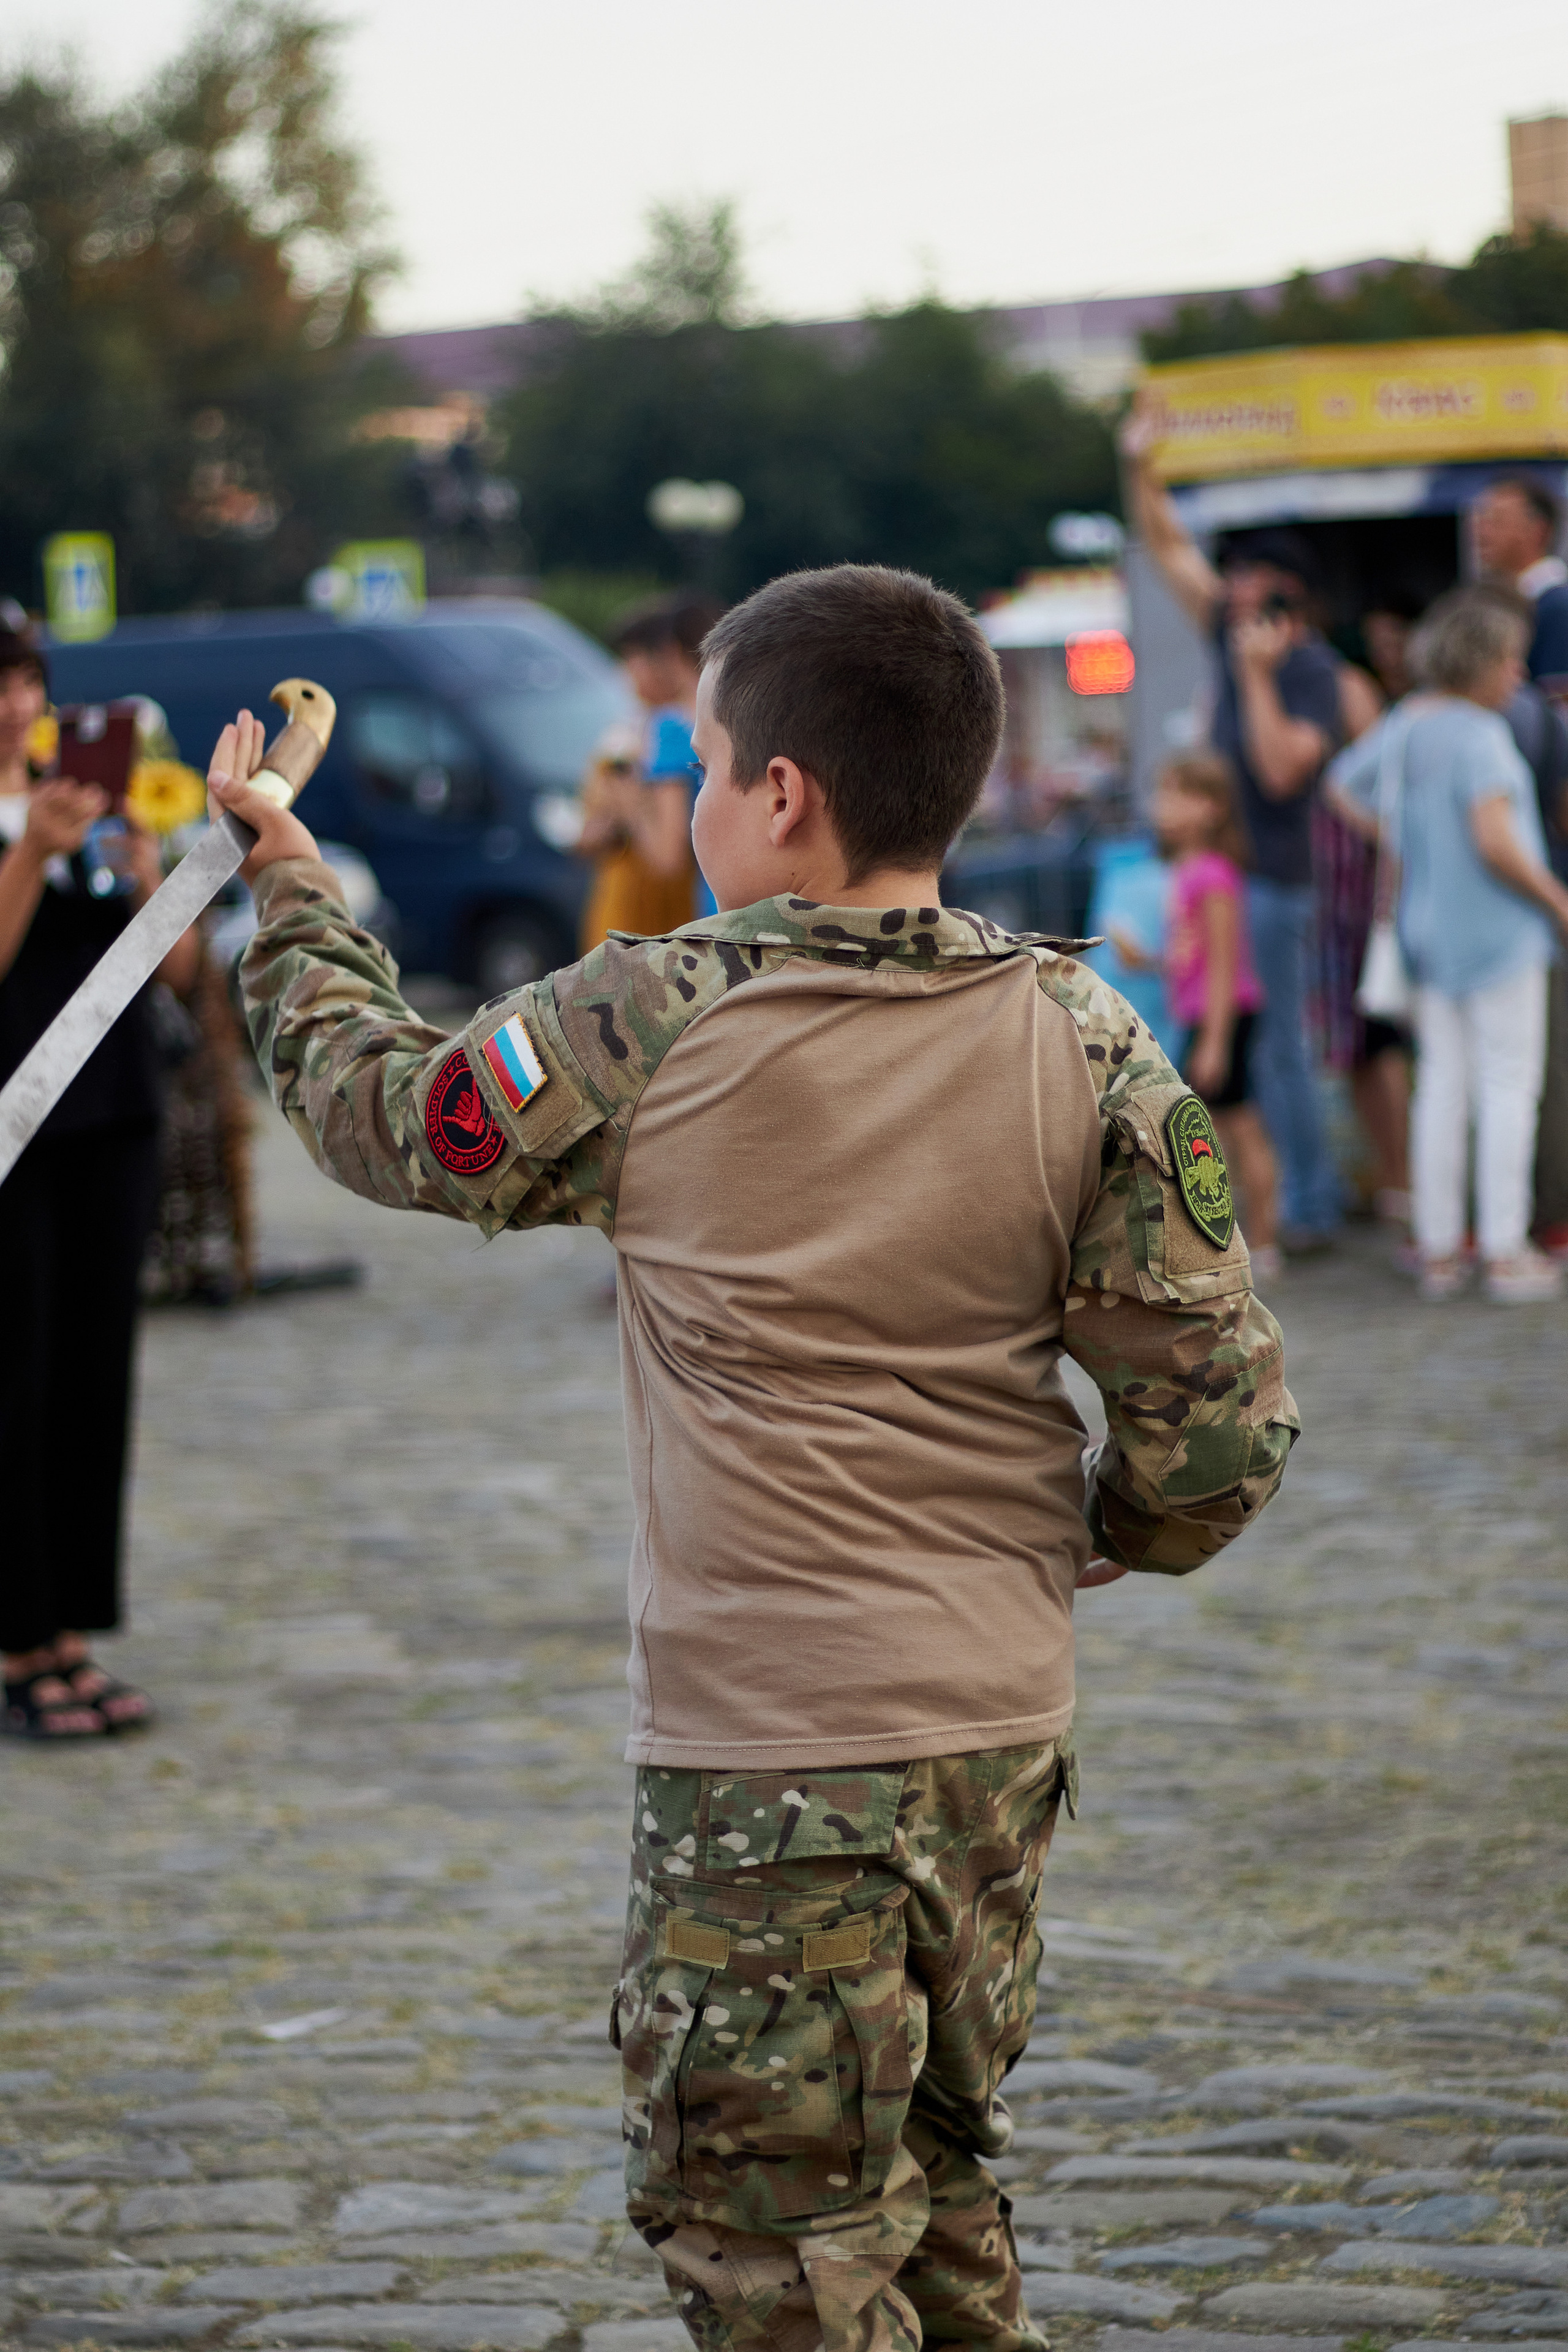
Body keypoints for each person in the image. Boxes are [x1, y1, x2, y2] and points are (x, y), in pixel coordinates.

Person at [214, 562, 1298, 2352]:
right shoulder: (1083, 1032)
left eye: (702, 761)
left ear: (777, 792)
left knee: (779, 2254)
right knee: (943, 2201)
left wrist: (291, 886)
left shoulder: (651, 1015)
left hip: (765, 1760)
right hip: (991, 1737)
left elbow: (380, 1109)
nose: (692, 796)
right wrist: (1115, 1528)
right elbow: (1221, 1415)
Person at [0, 627, 198, 1738]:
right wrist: (28, 851)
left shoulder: (93, 796)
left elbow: (173, 970)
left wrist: (144, 876)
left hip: (112, 1108)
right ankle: (18, 1643)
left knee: (92, 1377)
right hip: (12, 1123)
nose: (15, 703)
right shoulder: (30, 822)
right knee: (15, 1379)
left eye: (27, 682)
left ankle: (71, 1630)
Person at [1121, 407, 1343, 1251]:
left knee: (1279, 1047)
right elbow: (1171, 545)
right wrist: (1141, 466)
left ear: (1291, 600)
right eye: (1238, 577)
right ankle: (1274, 1207)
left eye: (1257, 584)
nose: (1237, 594)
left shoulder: (1312, 669)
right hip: (1227, 875)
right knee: (1244, 1056)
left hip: (1275, 881)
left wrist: (1256, 676)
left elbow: (1284, 768)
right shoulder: (1227, 626)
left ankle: (1308, 1206)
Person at [1326, 586, 1568, 1305]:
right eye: (1509, 660)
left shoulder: (1408, 724)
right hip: (1497, 932)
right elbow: (1496, 840)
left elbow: (1342, 788)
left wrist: (1400, 839)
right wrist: (1557, 900)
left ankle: (1437, 1249)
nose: (1517, 675)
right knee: (1506, 1087)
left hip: (1424, 931)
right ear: (1483, 661)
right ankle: (1503, 1249)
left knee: (1441, 1089)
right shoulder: (1481, 734)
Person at [1122, 753, 1280, 1281]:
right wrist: (1145, 960)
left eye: (1176, 796)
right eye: (1162, 794)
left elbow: (1223, 963)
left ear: (1211, 809)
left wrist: (1214, 1040)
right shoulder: (1186, 872)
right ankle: (1237, 1236)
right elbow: (1191, 956)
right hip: (1203, 1015)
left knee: (1235, 1128)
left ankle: (1264, 1239)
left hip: (1223, 1015)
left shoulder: (1213, 874)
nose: (1161, 807)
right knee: (1214, 1131)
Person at [609, 594, 725, 922]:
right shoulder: (748, 719)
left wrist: (629, 799)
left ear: (672, 653)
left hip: (713, 907)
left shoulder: (672, 728)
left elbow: (667, 856)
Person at [575, 723, 697, 953]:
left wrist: (634, 807)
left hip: (662, 904)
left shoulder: (669, 740)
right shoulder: (613, 746)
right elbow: (584, 842)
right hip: (621, 902)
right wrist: (610, 814)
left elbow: (669, 863)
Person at [1472, 473, 1568, 698]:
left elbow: (1559, 702)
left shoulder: (1557, 606)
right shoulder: (1506, 601)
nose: (1481, 534)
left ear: (1538, 531)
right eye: (1480, 522)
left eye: (1496, 522)